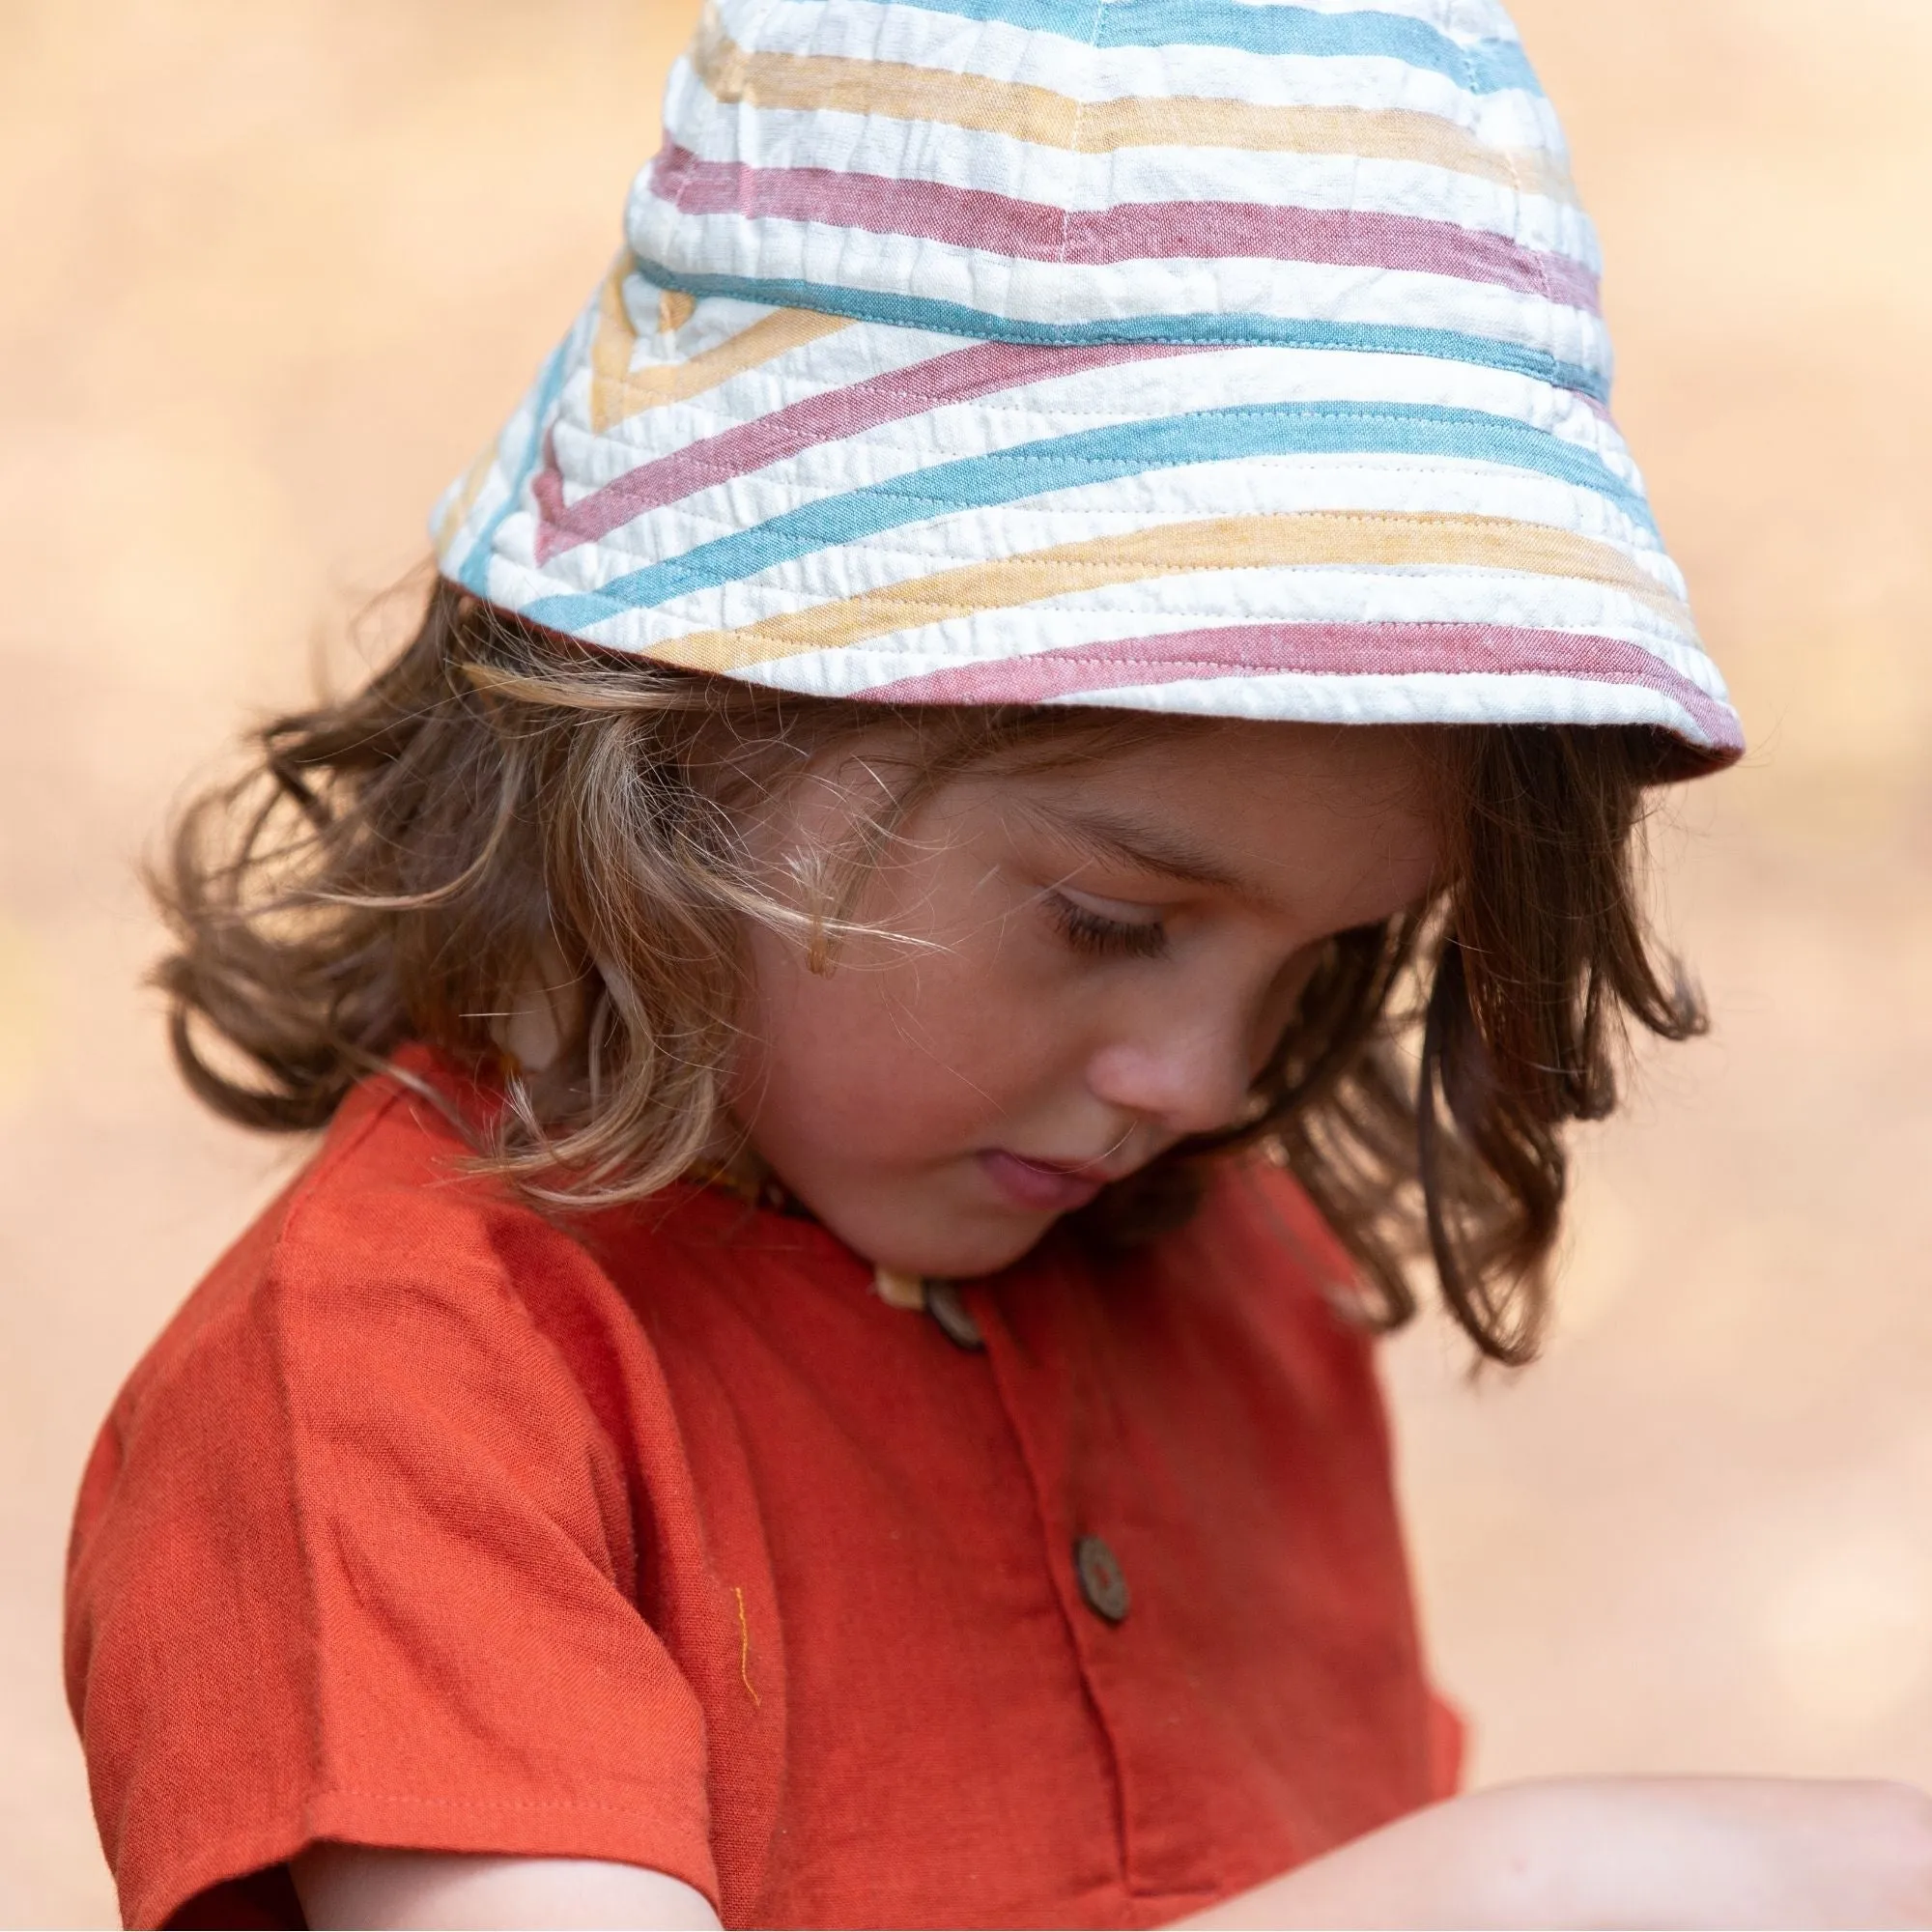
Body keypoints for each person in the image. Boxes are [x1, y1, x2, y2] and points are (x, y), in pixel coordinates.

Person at [62, 0, 1932, 1925]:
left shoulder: (1226, 1289)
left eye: (1329, 956)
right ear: (700, 726)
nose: (1201, 1081)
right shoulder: (403, 1387)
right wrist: (1512, 1890)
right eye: (1110, 922)